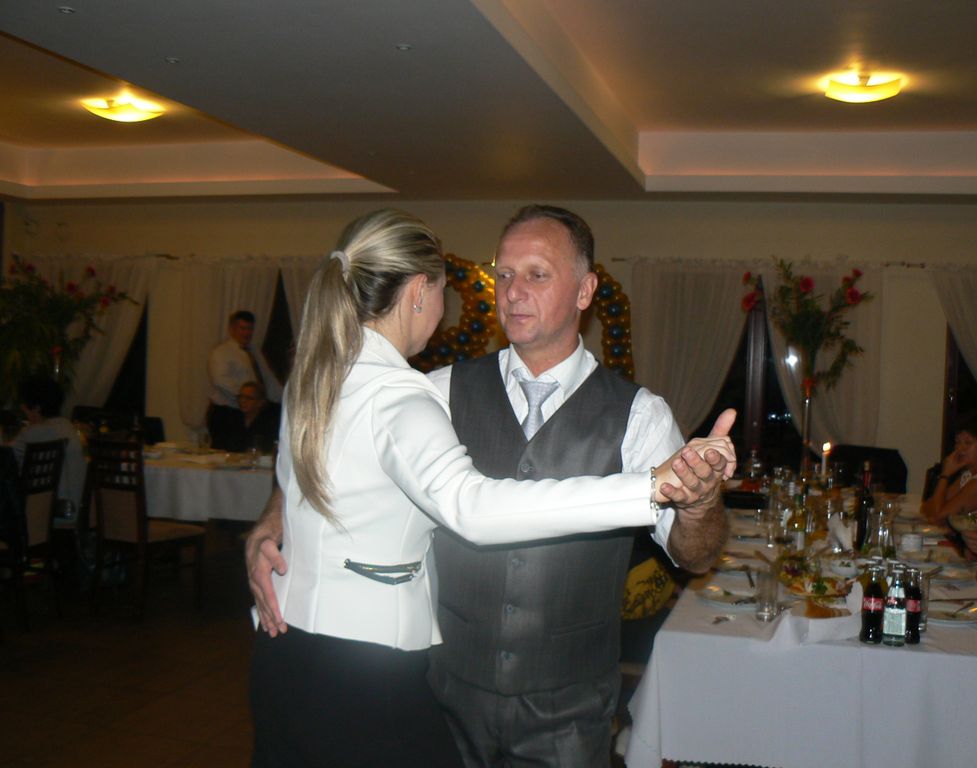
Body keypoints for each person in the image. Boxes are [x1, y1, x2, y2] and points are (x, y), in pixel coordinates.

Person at [248, 205, 734, 768]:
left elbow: (696, 556)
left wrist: (699, 502)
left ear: (585, 291)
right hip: (442, 694)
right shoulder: (430, 390)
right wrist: (273, 521)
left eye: (537, 274)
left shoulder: (641, 416)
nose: (513, 291)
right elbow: (331, 452)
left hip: (569, 710)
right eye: (503, 273)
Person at [8, 376, 85, 519]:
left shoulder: (35, 433)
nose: (22, 408)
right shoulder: (67, 426)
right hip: (74, 510)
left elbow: (5, 457)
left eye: (24, 405)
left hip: (48, 514)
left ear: (37, 408)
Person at [920, 411, 977, 527]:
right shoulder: (969, 474)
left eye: (968, 443)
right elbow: (927, 508)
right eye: (957, 442)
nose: (960, 448)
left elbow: (938, 517)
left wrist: (945, 475)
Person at [207, 310, 281, 449]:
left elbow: (267, 377)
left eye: (250, 329)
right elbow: (220, 381)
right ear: (232, 329)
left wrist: (280, 399)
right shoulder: (221, 352)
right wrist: (248, 398)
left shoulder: (254, 351)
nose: (247, 333)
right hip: (226, 412)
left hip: (248, 412)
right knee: (226, 451)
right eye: (242, 328)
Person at [215, 381, 282, 453]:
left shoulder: (269, 422)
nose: (243, 401)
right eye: (241, 397)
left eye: (249, 398)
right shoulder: (232, 419)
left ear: (260, 402)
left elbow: (268, 448)